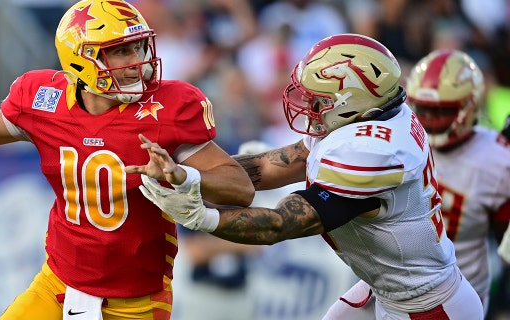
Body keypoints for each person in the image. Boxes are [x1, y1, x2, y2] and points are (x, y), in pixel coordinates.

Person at [0, 0, 255, 319]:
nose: (137, 62)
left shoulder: (169, 108)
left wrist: (182, 175)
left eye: (139, 48)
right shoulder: (44, 99)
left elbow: (239, 187)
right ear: (83, 60)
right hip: (58, 284)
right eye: (121, 51)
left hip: (137, 300)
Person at [135, 33, 485, 319]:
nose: (310, 107)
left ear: (352, 100)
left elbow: (280, 224)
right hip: (386, 288)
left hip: (426, 306)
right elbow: (276, 164)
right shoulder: (370, 117)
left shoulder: (373, 153)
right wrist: (185, 173)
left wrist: (203, 216)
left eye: (319, 100)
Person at [405, 49, 510, 315]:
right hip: (398, 282)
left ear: (469, 107)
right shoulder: (401, 140)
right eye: (422, 108)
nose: (428, 119)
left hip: (458, 295)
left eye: (439, 111)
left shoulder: (497, 160)